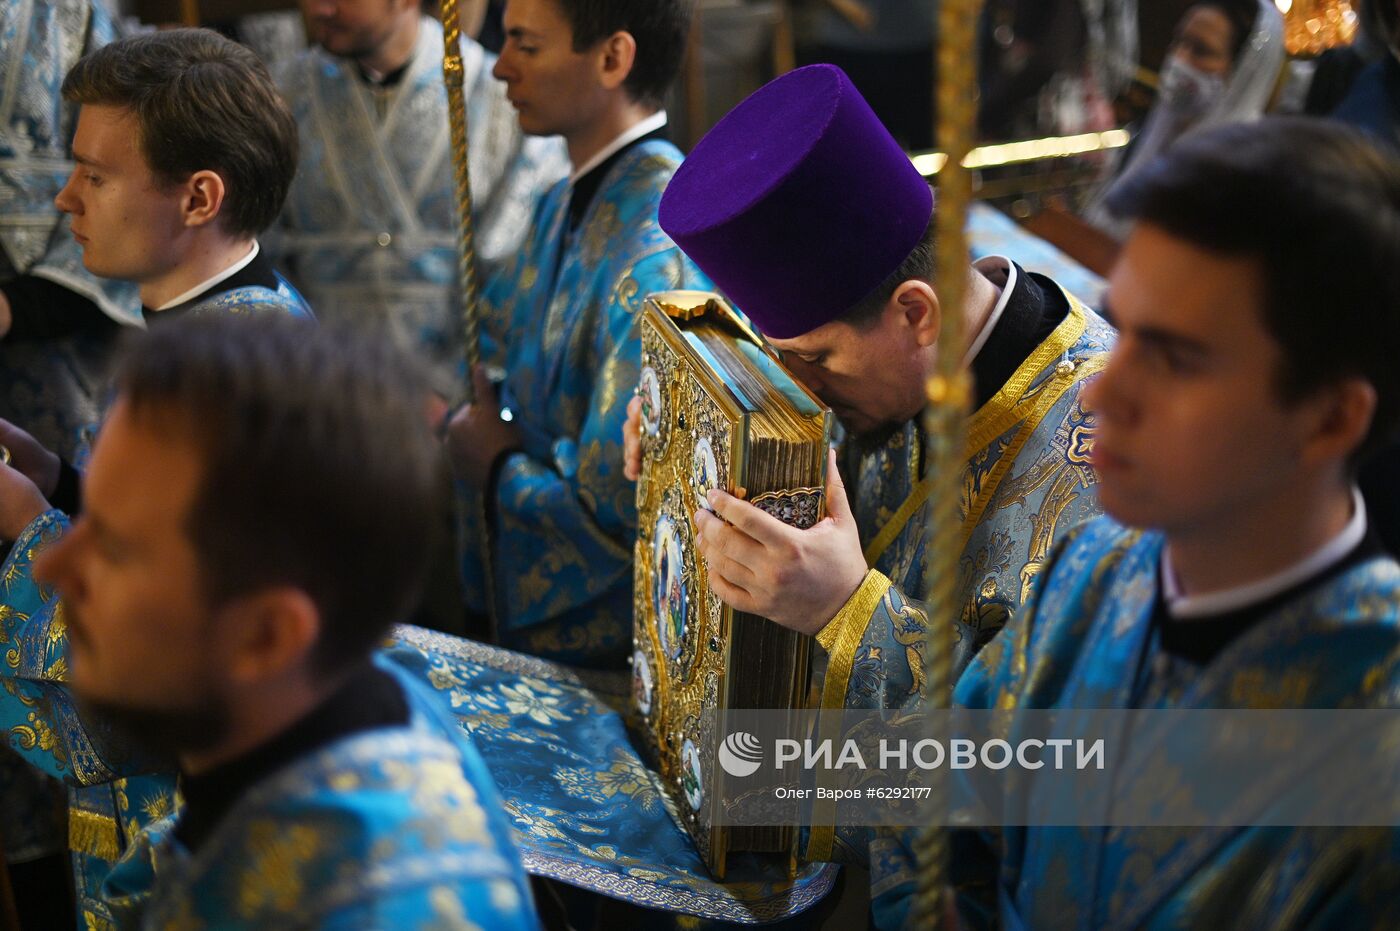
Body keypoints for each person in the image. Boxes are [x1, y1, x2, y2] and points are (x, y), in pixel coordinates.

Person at [873, 118, 1400, 929]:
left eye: (1176, 358)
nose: (1097, 394)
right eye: (1121, 331)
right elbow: (934, 812)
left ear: (1329, 420)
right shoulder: (1092, 571)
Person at [624, 63, 1114, 870]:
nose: (803, 394)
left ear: (915, 312)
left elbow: (1047, 775)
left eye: (816, 361)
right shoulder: (889, 369)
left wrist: (848, 610)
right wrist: (683, 432)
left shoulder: (1105, 464)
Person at [0, 313, 538, 928]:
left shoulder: (367, 907)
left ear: (266, 635)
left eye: (117, 546)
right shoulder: (339, 701)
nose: (49, 568)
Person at [0, 27, 313, 917]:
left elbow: (155, 671)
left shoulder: (229, 381)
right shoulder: (221, 329)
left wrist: (24, 528)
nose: (66, 198)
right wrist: (56, 479)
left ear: (198, 196)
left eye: (95, 176)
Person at [444, 0, 710, 668]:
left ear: (612, 58)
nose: (501, 68)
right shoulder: (557, 203)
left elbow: (624, 511)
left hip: (611, 662)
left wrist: (499, 465)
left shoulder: (658, 251)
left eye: (526, 46)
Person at [269, 0, 567, 399]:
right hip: (318, 397)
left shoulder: (495, 96)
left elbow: (518, 277)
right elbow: (262, 250)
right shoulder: (280, 97)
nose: (320, 8)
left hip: (457, 400)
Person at [1084, 0, 1284, 241]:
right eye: (1179, 41)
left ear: (1243, 73)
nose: (1179, 58)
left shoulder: (1241, 179)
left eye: (1200, 50)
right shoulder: (1149, 133)